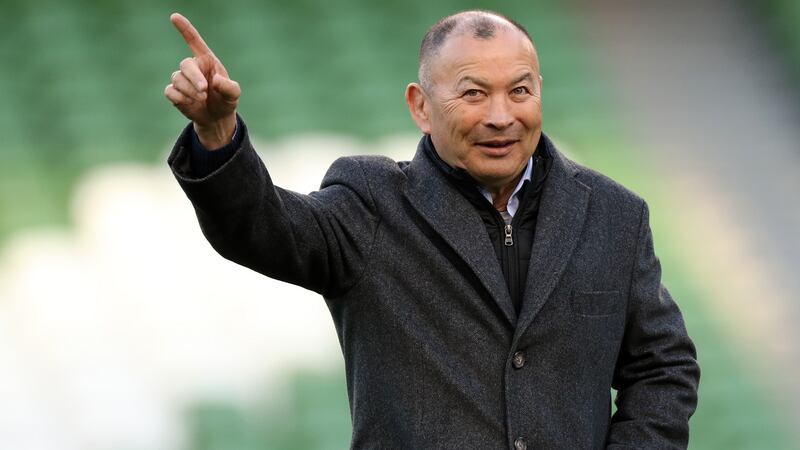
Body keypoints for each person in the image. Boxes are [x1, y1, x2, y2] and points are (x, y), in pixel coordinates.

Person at [164, 10, 700, 449]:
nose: (500, 116)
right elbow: (263, 229)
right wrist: (217, 133)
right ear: (420, 107)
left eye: (520, 91)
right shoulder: (371, 203)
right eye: (472, 94)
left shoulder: (615, 215)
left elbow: (663, 367)